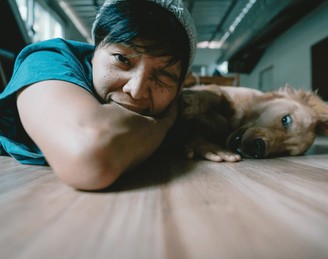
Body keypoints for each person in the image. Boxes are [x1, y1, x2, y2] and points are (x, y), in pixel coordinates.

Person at [0, 0, 197, 190]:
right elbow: (89, 155)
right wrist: (167, 122)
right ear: (94, 52)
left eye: (162, 76)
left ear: (179, 88)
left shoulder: (173, 103)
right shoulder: (48, 61)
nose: (136, 91)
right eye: (122, 60)